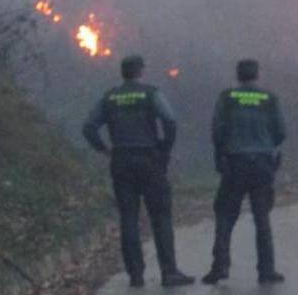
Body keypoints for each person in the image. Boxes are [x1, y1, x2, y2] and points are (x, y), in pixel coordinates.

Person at [82, 55, 195, 288]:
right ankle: (169, 272)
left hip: (121, 161)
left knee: (129, 218)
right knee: (161, 216)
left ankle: (136, 275)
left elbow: (89, 126)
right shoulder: (150, 93)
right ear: (140, 71)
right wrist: (165, 149)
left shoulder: (110, 97)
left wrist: (104, 149)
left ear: (123, 73)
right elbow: (169, 120)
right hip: (149, 159)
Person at [202, 59, 286, 285]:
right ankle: (266, 270)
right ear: (258, 74)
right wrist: (265, 143)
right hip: (262, 164)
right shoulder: (269, 98)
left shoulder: (227, 98)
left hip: (235, 164)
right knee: (262, 218)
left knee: (225, 215)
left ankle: (219, 267)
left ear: (238, 76)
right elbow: (281, 132)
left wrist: (222, 153)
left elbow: (217, 131)